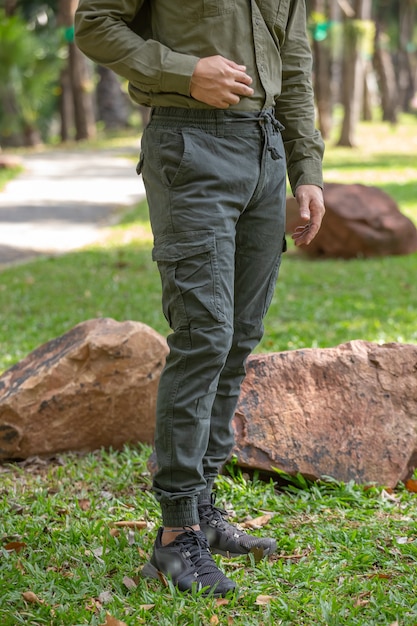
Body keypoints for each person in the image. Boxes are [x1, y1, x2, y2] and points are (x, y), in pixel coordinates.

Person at [74, 0, 325, 597]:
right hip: (191, 146)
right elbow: (94, 24)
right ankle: (174, 536)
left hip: (265, 153)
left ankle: (203, 509)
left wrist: (306, 168)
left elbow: (293, 60)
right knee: (203, 335)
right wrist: (183, 71)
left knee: (237, 339)